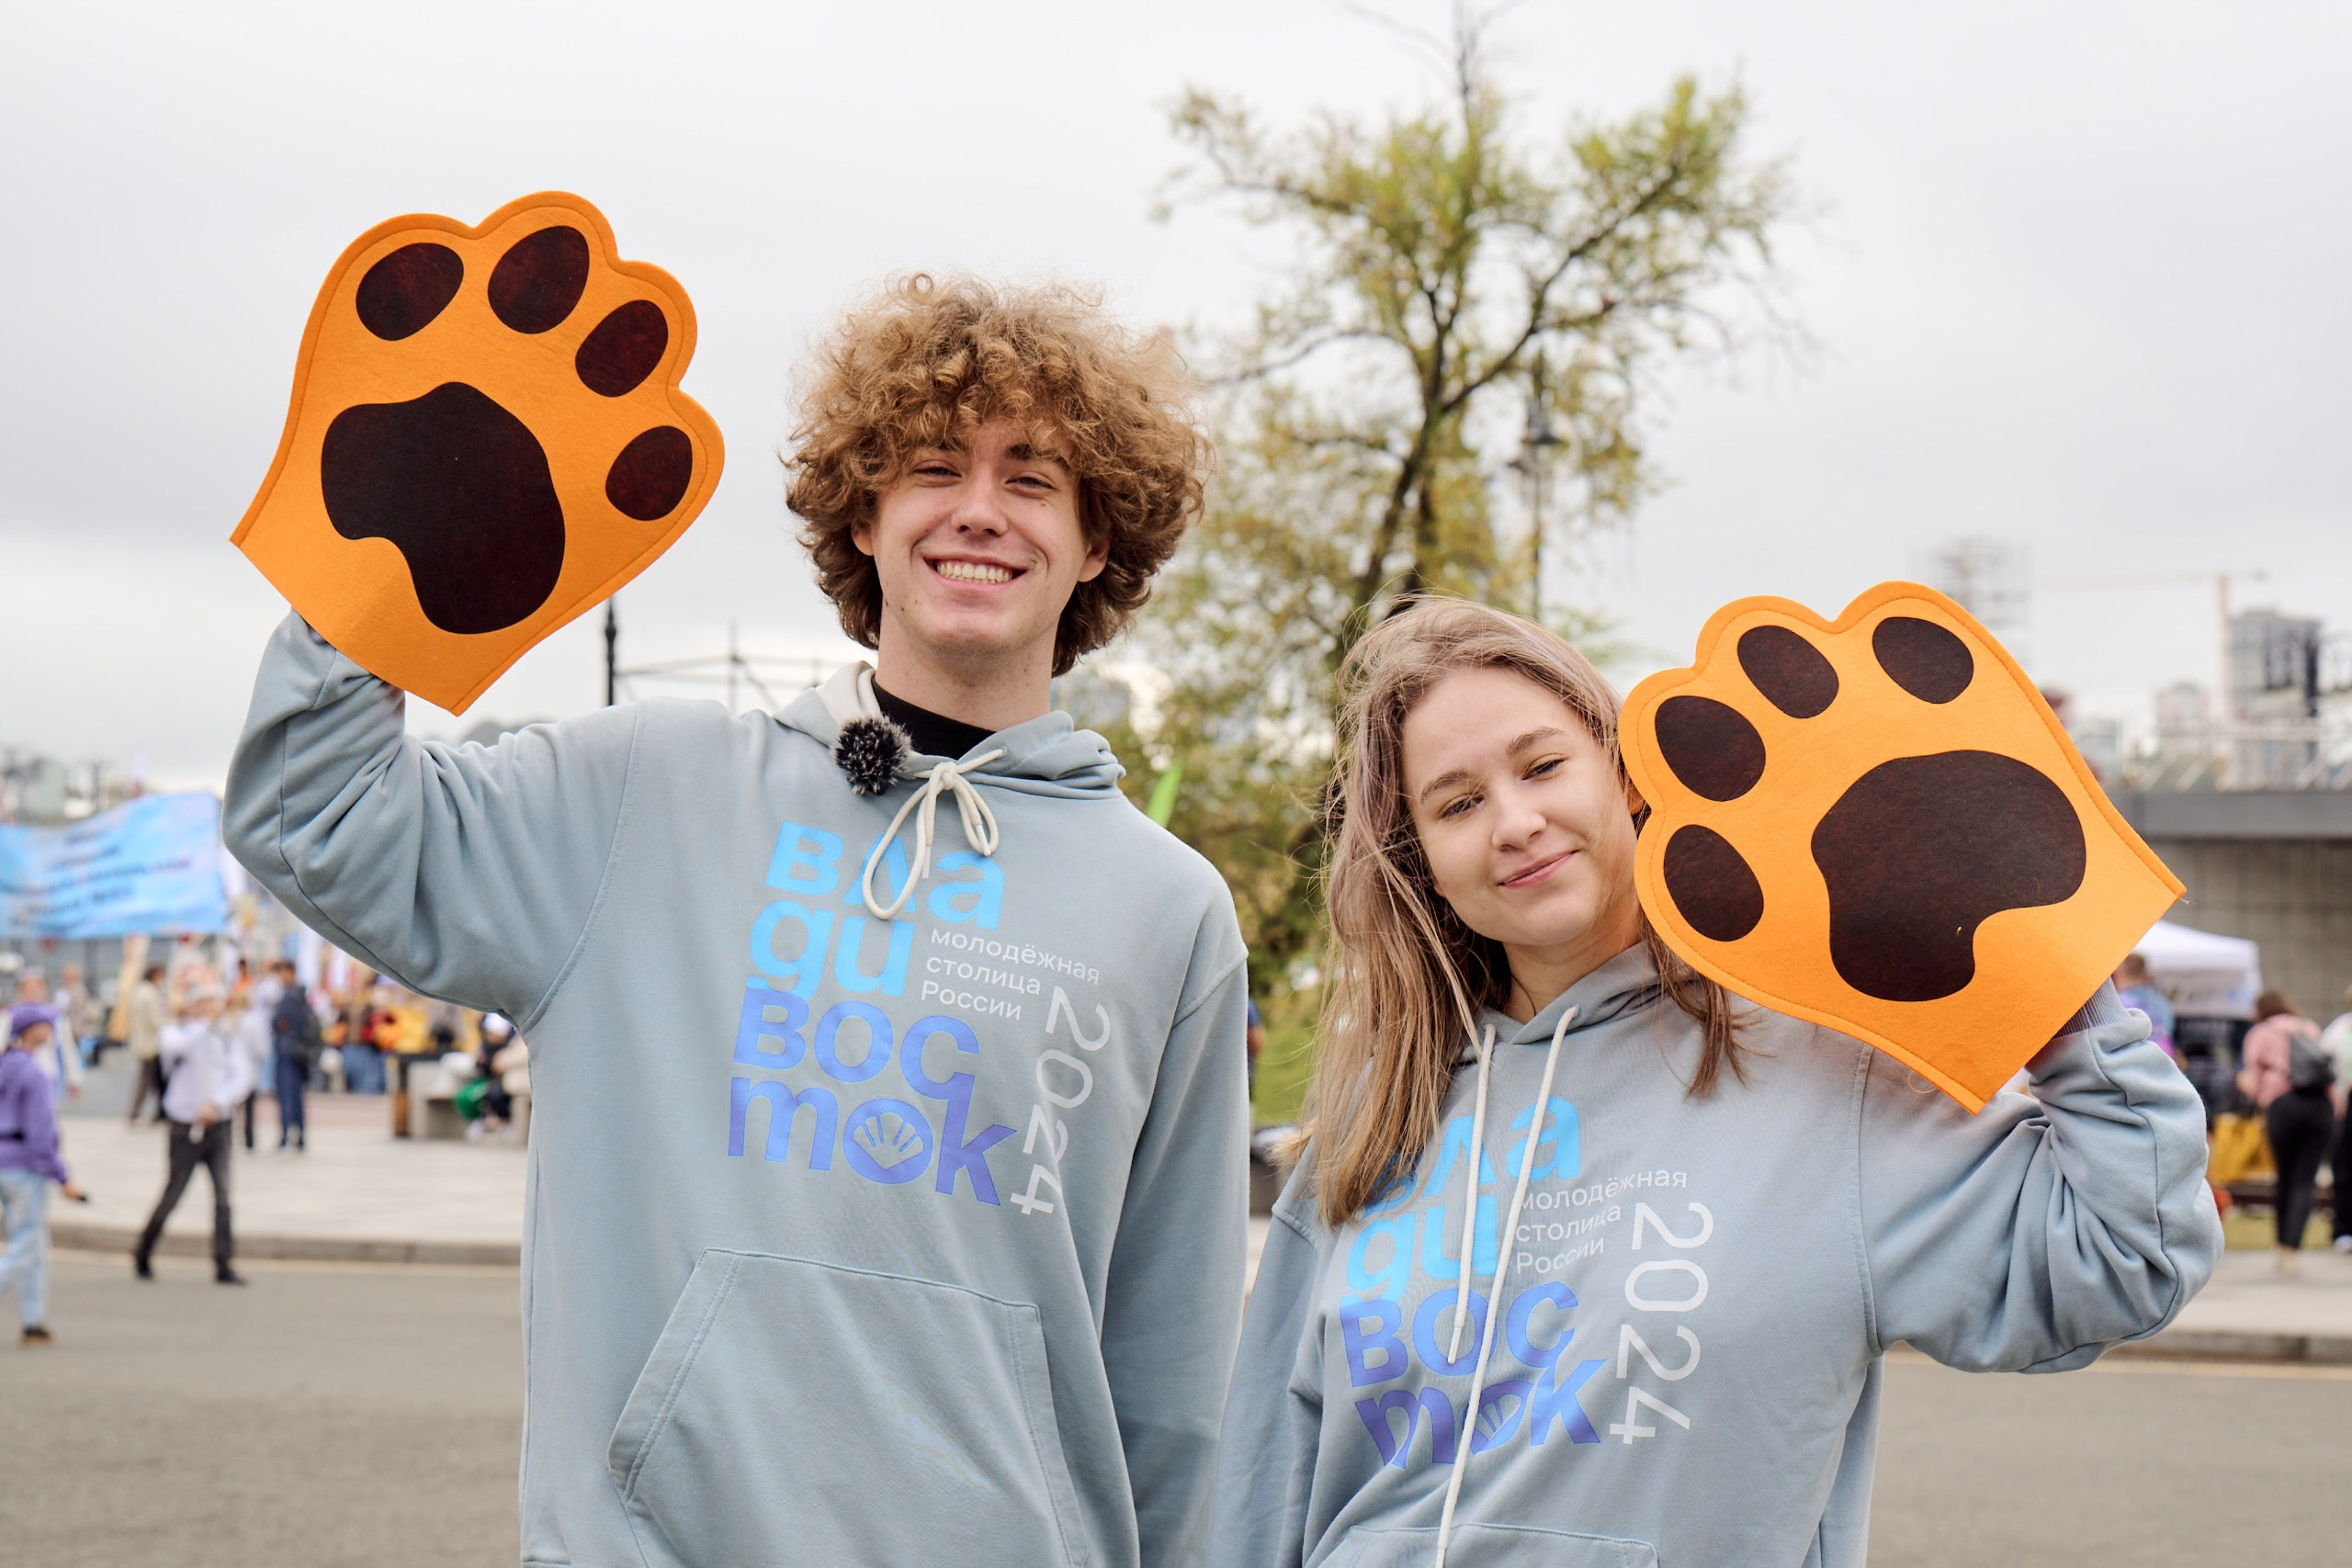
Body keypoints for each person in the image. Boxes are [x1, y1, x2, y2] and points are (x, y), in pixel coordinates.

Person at [224, 276, 1245, 1566]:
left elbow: (1176, 1377)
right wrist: (385, 551)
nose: (980, 508)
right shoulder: (642, 791)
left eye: (1034, 479)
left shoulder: (1168, 908)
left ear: (1100, 542)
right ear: (864, 516)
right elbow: (316, 818)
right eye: (935, 465)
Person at [1207, 600, 2221, 1568]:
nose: (1513, 821)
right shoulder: (1371, 1129)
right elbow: (1264, 1478)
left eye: (1543, 765)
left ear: (1628, 779)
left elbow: (2127, 1253)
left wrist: (2033, 960)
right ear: (1420, 860)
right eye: (1458, 802)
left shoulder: (1829, 1080)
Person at [131, 981, 253, 1285]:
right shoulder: (177, 1033)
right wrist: (202, 1023)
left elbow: (243, 1075)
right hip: (184, 1129)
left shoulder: (226, 1038)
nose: (212, 1009)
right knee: (173, 1193)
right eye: (205, 1002)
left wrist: (218, 1103)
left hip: (218, 1128)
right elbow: (176, 1050)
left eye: (215, 1002)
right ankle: (143, 1250)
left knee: (224, 1197)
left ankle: (224, 1262)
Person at [2, 1004, 91, 1345]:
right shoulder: (33, 1074)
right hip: (25, 1165)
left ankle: (33, 1320)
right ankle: (33, 1319)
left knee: (34, 1244)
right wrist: (63, 1176)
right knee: (26, 1245)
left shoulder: (5, 1064)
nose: (52, 1028)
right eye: (47, 1023)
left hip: (4, 1160)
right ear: (32, 1029)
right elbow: (41, 1134)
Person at [2235, 987, 2341, 1274]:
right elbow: (2326, 1073)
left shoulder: (2259, 1033)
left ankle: (2281, 1244)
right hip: (2320, 1107)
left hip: (2284, 1106)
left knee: (2284, 1176)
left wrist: (2255, 1094)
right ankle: (2292, 1246)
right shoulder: (2308, 1027)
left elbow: (2254, 1081)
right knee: (2305, 1179)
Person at [268, 960, 319, 1151]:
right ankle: (299, 1135)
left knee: (287, 1096)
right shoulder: (300, 995)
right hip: (298, 1054)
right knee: (296, 1097)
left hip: (288, 1053)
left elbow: (282, 1024)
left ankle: (287, 1135)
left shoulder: (290, 997)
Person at [2324, 987, 2352, 1254]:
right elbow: (2324, 1062)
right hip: (2346, 1104)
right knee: (2344, 1167)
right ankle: (2343, 1230)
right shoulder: (2340, 1029)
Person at [123, 963, 167, 1123]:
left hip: (141, 1040)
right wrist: (169, 1021)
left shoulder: (138, 992)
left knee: (154, 1079)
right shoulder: (151, 994)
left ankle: (160, 1111)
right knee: (148, 1079)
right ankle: (137, 1112)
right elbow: (155, 1021)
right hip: (150, 1043)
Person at [2112, 952, 2176, 1056]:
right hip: (2163, 1058)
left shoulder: (2118, 1003)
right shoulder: (2160, 1002)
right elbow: (2167, 1032)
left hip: (2131, 1060)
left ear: (2119, 974)